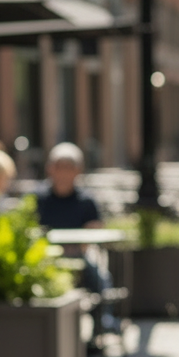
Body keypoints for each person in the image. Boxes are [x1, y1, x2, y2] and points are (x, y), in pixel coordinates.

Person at [36, 142, 116, 336]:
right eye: (59, 167)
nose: (63, 173)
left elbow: (96, 228)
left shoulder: (86, 200)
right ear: (50, 169)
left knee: (101, 282)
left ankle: (102, 327)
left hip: (78, 255)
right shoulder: (38, 198)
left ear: (78, 171)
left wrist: (81, 244)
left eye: (68, 168)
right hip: (46, 259)